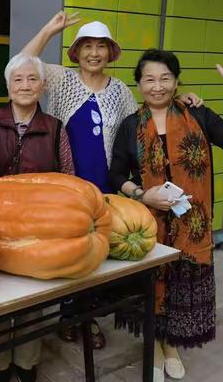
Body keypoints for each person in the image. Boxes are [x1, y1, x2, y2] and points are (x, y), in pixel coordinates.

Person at [22, 12, 202, 348]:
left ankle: (85, 317)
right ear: (76, 52)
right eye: (86, 46)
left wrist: (183, 101)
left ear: (110, 53)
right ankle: (67, 316)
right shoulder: (61, 80)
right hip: (67, 187)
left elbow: (145, 117)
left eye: (101, 47)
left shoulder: (119, 89)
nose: (94, 53)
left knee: (98, 255)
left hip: (107, 186)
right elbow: (24, 62)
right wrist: (49, 28)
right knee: (70, 252)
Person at [109, 49, 220, 382]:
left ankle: (170, 345)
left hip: (192, 226)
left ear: (176, 81)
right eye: (149, 79)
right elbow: (116, 175)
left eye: (165, 78)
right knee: (153, 284)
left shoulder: (198, 116)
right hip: (149, 224)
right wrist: (144, 194)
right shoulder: (130, 126)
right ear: (139, 84)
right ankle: (154, 347)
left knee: (178, 284)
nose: (157, 86)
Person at [0, 53, 74, 382]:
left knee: (32, 301)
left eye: (32, 79)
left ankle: (27, 363)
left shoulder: (55, 128)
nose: (25, 85)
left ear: (43, 86)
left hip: (38, 229)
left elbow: (67, 180)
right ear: (7, 86)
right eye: (17, 79)